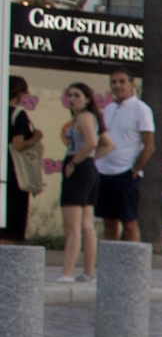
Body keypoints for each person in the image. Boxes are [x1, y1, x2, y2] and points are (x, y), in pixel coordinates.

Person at [94, 68, 155, 242]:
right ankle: (109, 262)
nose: (117, 86)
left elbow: (149, 146)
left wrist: (135, 169)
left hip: (126, 172)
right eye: (114, 82)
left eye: (122, 82)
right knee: (109, 221)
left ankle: (133, 263)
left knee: (129, 222)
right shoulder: (109, 108)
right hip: (105, 171)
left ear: (132, 83)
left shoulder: (141, 109)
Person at [57, 83, 106, 282]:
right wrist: (91, 159)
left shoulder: (84, 118)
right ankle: (87, 272)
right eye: (69, 95)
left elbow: (92, 143)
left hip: (78, 167)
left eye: (77, 95)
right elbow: (107, 144)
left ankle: (67, 273)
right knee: (87, 224)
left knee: (72, 227)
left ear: (87, 99)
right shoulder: (91, 118)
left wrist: (76, 162)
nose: (72, 99)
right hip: (89, 169)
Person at [4, 79, 37, 244]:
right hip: (13, 172)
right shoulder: (18, 114)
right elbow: (18, 145)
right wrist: (35, 138)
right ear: (19, 94)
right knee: (11, 226)